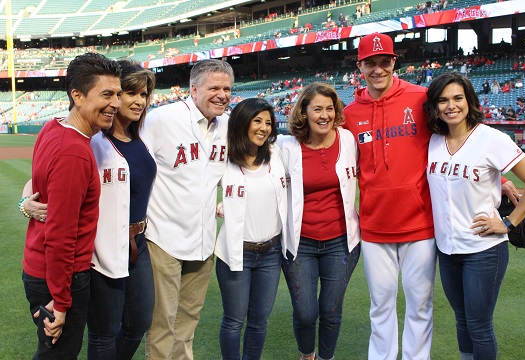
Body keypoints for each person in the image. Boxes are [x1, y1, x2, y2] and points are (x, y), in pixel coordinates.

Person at [22, 59, 157, 359]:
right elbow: (59, 232)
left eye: (117, 94)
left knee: (70, 347)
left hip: (120, 248)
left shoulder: (55, 128)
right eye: (108, 95)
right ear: (77, 96)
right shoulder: (79, 149)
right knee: (65, 349)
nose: (116, 102)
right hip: (73, 268)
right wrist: (60, 298)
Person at [424, 71, 525, 360]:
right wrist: (501, 182)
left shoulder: (491, 138)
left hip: (483, 250)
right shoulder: (434, 140)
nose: (451, 106)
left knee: (479, 325)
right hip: (447, 250)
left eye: (457, 98)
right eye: (443, 100)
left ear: (469, 100)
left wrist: (508, 222)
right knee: (461, 321)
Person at [343, 33, 437, 360]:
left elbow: (458, 140)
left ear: (394, 62)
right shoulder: (350, 113)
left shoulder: (422, 98)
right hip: (374, 225)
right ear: (360, 66)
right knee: (380, 305)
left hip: (421, 223)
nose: (378, 69)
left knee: (420, 305)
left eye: (385, 62)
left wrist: (497, 179)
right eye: (371, 63)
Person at [141, 59, 234, 360]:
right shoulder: (161, 119)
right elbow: (129, 165)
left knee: (188, 323)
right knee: (162, 323)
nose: (222, 94)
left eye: (227, 89)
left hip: (204, 240)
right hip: (163, 238)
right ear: (193, 89)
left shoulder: (229, 126)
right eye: (214, 88)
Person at [280, 82, 361, 360]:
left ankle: (326, 357)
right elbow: (258, 173)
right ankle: (307, 354)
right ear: (304, 112)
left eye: (329, 108)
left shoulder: (349, 140)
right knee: (305, 313)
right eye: (317, 109)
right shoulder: (286, 147)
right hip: (299, 242)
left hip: (341, 242)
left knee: (330, 310)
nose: (324, 115)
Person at [214, 98, 288, 360]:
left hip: (270, 253)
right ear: (242, 122)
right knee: (234, 320)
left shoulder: (277, 153)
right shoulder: (223, 158)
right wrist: (218, 204)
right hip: (236, 254)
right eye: (257, 121)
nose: (264, 128)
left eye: (268, 122)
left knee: (260, 321)